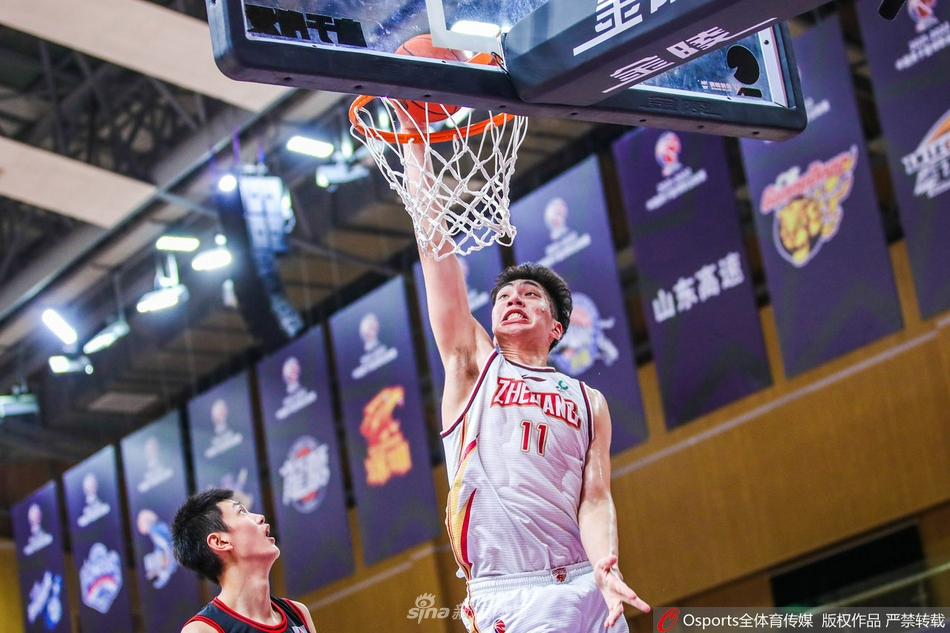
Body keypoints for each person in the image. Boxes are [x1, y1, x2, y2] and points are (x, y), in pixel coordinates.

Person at [404, 114, 651, 631]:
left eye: (530, 294)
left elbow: (596, 497)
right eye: (504, 297)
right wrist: (413, 145)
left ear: (556, 327)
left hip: (586, 581)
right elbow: (435, 254)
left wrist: (605, 565)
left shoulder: (588, 400)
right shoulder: (473, 365)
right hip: (512, 590)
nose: (513, 299)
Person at [171, 488, 316, 633]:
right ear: (220, 542)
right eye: (241, 512)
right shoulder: (203, 629)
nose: (260, 517)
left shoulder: (298, 612)